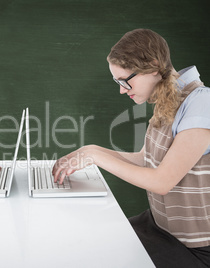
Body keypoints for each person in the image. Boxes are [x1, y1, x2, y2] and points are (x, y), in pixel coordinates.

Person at [53, 29, 210, 267]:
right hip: (159, 227)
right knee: (87, 244)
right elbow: (146, 159)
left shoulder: (201, 102)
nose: (121, 89)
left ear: (154, 67)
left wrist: (96, 156)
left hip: (194, 248)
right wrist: (91, 151)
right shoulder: (168, 101)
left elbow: (162, 181)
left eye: (125, 80)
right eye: (118, 81)